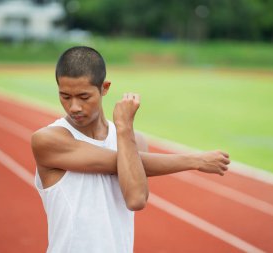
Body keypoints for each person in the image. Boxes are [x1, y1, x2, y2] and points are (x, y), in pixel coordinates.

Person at [31, 46, 230, 253]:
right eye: (65, 96)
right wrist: (194, 161)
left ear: (104, 88)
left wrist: (124, 131)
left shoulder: (133, 141)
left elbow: (136, 199)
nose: (74, 107)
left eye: (83, 97)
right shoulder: (48, 140)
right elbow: (119, 162)